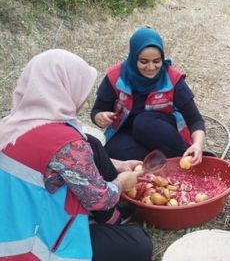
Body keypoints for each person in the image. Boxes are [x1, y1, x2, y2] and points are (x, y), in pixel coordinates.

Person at [0, 49, 152, 261]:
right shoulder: (66, 144)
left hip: (13, 226)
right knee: (140, 244)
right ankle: (107, 221)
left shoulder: (13, 125)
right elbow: (100, 199)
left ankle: (108, 220)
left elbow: (57, 165)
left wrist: (117, 164)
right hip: (36, 247)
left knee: (92, 142)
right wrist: (122, 182)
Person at [91, 26, 207, 163]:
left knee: (143, 122)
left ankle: (184, 155)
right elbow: (96, 111)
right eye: (144, 62)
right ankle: (162, 164)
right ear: (133, 58)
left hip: (162, 133)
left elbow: (195, 119)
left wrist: (197, 145)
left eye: (157, 61)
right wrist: (100, 117)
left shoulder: (172, 78)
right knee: (112, 151)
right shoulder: (116, 77)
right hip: (128, 132)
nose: (151, 68)